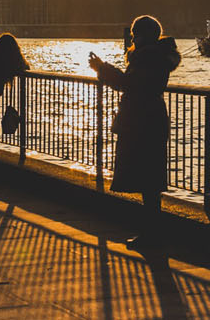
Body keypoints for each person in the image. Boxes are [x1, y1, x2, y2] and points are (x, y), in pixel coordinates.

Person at [88, 15, 181, 249]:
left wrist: (102, 69)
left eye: (134, 34)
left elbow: (129, 84)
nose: (132, 38)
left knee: (147, 181)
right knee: (151, 180)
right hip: (152, 119)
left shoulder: (147, 58)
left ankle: (151, 236)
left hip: (141, 120)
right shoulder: (158, 57)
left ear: (141, 36)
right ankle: (152, 233)